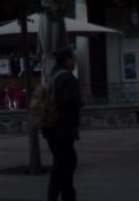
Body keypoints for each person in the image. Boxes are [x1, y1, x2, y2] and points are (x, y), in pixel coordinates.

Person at [43, 46, 82, 201]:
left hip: (51, 128)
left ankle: (68, 194)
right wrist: (79, 101)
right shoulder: (68, 78)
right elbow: (69, 101)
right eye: (73, 58)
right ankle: (57, 197)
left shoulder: (53, 75)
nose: (74, 62)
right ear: (67, 60)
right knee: (63, 165)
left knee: (65, 163)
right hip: (63, 129)